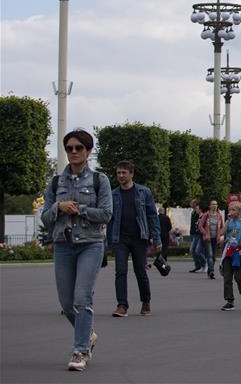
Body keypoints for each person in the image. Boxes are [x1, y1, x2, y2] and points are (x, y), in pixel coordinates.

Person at [41, 130, 112, 371]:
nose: (73, 152)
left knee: (82, 298)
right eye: (69, 148)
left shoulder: (99, 180)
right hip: (63, 244)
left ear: (88, 151)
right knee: (66, 303)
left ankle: (80, 351)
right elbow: (45, 217)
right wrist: (59, 207)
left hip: (90, 244)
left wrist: (80, 209)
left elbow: (106, 214)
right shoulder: (55, 182)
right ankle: (88, 334)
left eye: (78, 148)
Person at [107, 160, 162, 318]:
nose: (121, 176)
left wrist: (157, 238)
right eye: (118, 173)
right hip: (120, 239)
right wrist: (109, 242)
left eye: (124, 173)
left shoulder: (143, 192)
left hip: (139, 238)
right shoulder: (113, 194)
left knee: (141, 271)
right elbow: (110, 219)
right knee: (120, 272)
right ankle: (122, 305)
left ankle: (146, 301)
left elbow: (152, 216)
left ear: (131, 174)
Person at [220, 201, 241, 310]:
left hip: (238, 252)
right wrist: (227, 221)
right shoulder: (229, 222)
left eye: (233, 210)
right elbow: (222, 232)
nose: (230, 211)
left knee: (239, 278)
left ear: (239, 211)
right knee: (227, 277)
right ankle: (230, 301)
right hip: (228, 250)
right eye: (229, 210)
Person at [199, 200, 225, 279]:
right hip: (208, 238)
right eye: (213, 204)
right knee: (209, 255)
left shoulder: (219, 215)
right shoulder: (206, 215)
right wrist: (205, 234)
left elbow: (222, 227)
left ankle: (209, 271)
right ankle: (211, 271)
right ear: (210, 206)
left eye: (216, 204)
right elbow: (200, 226)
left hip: (215, 238)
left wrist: (220, 235)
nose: (215, 206)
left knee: (213, 256)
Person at [188, 199, 206, 273]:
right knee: (192, 250)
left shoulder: (199, 212)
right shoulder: (193, 212)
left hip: (199, 234)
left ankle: (204, 264)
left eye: (192, 203)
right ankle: (197, 265)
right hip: (193, 233)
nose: (190, 204)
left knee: (198, 251)